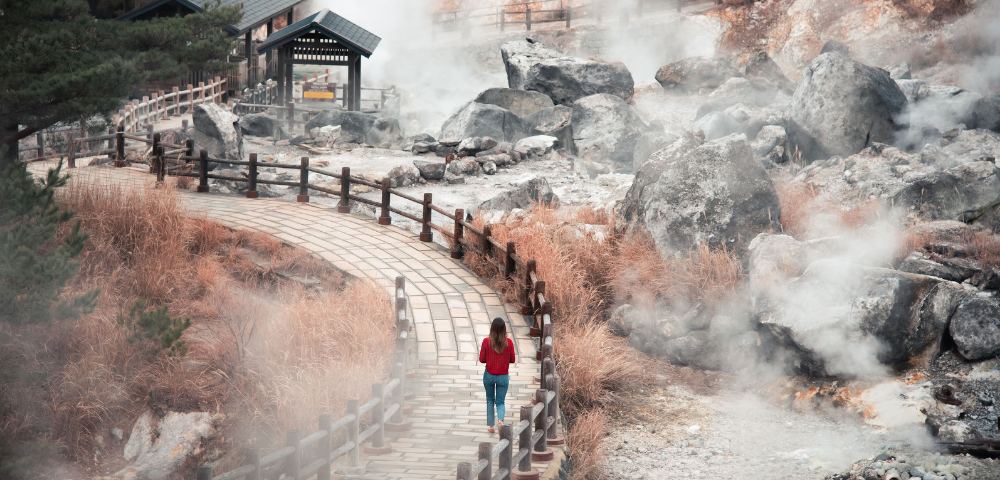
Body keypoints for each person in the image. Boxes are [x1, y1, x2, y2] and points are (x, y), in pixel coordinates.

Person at [479, 317, 515, 434]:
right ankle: (500, 420)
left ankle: (491, 426)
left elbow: (481, 359)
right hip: (503, 376)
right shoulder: (508, 343)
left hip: (489, 374)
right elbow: (513, 359)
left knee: (490, 400)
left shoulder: (486, 341)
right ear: (504, 329)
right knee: (500, 401)